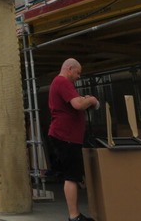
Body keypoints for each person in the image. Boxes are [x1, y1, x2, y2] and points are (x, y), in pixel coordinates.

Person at [48, 58, 99, 221]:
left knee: (74, 175)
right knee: (71, 176)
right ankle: (74, 216)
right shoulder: (62, 82)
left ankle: (75, 214)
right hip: (66, 136)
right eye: (78, 73)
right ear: (70, 69)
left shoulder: (62, 83)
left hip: (68, 136)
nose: (78, 77)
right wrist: (91, 100)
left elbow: (74, 103)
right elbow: (77, 104)